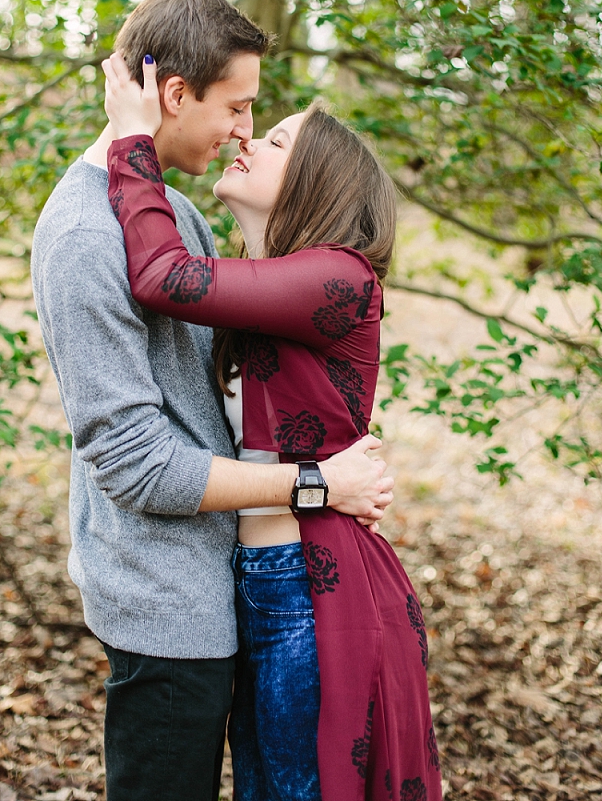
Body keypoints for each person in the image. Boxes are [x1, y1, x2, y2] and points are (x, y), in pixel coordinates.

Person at [31, 0, 393, 801]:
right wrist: (318, 484)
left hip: (230, 585)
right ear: (173, 94)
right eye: (238, 108)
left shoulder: (176, 214)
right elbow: (136, 463)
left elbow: (229, 389)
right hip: (166, 606)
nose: (240, 131)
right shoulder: (90, 236)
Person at [103, 51, 443, 801]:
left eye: (279, 141)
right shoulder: (260, 290)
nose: (247, 139)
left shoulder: (340, 276)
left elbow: (161, 277)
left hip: (311, 584)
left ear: (317, 183)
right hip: (255, 575)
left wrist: (132, 137)